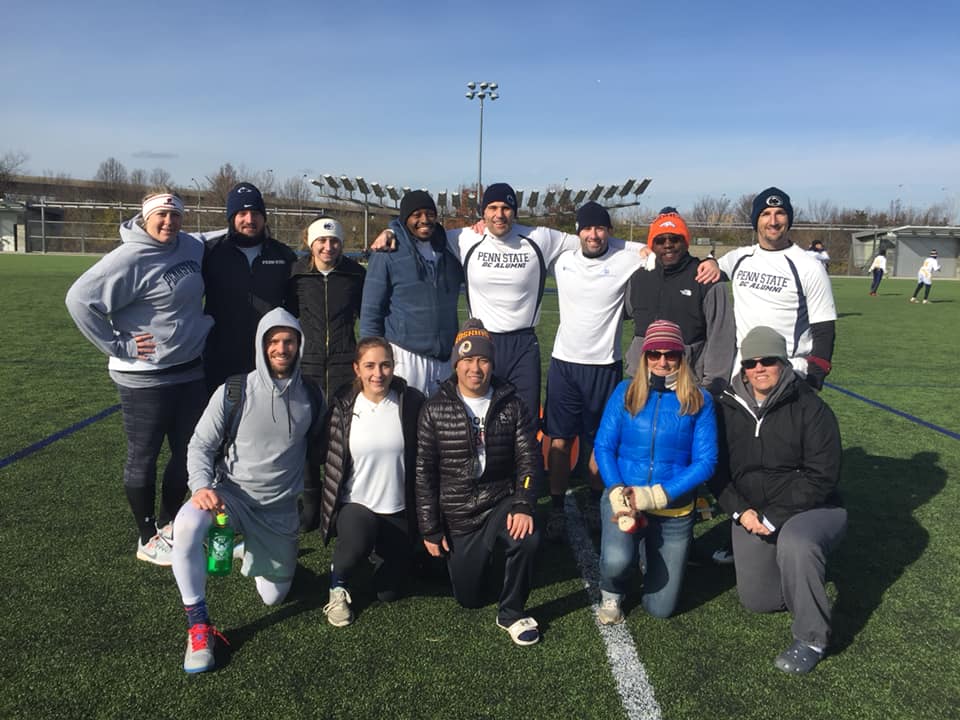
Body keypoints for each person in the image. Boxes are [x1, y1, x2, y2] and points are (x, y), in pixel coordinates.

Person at [171, 308, 324, 673]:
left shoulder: (312, 396)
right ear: (261, 344)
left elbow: (321, 448)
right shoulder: (234, 391)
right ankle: (199, 627)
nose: (281, 348)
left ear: (300, 345)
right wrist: (200, 487)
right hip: (231, 499)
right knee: (187, 525)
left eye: (289, 341)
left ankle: (246, 549)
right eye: (273, 341)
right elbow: (200, 445)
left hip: (279, 510)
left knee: (274, 598)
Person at [65, 190, 212, 566]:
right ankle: (147, 537)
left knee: (188, 452)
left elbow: (216, 235)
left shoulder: (189, 245)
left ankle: (168, 523)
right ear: (145, 218)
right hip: (144, 376)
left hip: (189, 369)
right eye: (161, 215)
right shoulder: (128, 257)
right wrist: (119, 345)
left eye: (175, 216)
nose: (168, 222)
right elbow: (78, 300)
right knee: (144, 455)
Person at [710, 326, 845, 675]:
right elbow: (717, 472)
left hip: (813, 508)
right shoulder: (726, 408)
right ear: (743, 368)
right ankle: (801, 572)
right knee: (759, 600)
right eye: (751, 362)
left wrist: (774, 517)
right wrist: (740, 512)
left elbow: (823, 475)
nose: (759, 368)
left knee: (797, 543)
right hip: (753, 512)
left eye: (767, 360)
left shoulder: (810, 407)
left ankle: (812, 638)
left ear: (783, 362)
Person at [415, 318, 542, 646]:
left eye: (483, 360)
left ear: (492, 363)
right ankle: (485, 563)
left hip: (499, 500)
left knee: (526, 536)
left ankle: (511, 612)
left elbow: (529, 459)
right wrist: (430, 528)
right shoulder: (434, 408)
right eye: (468, 359)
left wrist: (523, 504)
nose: (475, 368)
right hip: (459, 514)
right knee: (469, 598)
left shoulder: (512, 404)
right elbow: (424, 473)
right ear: (456, 363)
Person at [593, 320, 718, 624]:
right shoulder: (624, 391)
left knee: (660, 608)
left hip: (673, 508)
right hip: (625, 500)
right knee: (616, 561)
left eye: (670, 354)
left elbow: (706, 461)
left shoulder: (700, 399)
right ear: (645, 356)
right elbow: (604, 446)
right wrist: (617, 490)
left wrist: (658, 494)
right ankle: (612, 591)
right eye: (654, 354)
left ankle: (648, 553)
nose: (662, 362)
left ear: (681, 357)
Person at [542, 202, 647, 541]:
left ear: (609, 231)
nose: (593, 234)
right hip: (564, 364)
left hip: (604, 365)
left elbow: (651, 250)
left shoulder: (625, 258)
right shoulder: (563, 259)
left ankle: (592, 503)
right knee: (560, 440)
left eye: (600, 228)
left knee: (599, 442)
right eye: (587, 228)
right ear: (578, 231)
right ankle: (556, 507)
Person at [319, 338, 425, 626]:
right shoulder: (343, 404)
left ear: (393, 366)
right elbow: (326, 455)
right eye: (369, 366)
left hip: (398, 510)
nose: (378, 373)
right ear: (357, 368)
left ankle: (378, 551)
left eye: (385, 365)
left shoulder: (411, 402)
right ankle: (338, 584)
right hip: (356, 505)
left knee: (388, 593)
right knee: (356, 539)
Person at [286, 216, 365, 531]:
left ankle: (340, 503)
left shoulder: (354, 274)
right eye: (322, 240)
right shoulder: (296, 275)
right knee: (307, 435)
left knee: (343, 436)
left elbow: (366, 313)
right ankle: (312, 504)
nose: (328, 247)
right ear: (310, 243)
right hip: (308, 364)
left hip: (345, 365)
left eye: (334, 241)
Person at [717, 187, 837, 391]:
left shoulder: (809, 267)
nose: (773, 221)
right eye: (765, 214)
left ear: (788, 219)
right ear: (756, 221)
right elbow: (700, 272)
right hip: (743, 370)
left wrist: (814, 380)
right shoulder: (738, 258)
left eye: (780, 213)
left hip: (788, 370)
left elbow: (824, 330)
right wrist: (709, 263)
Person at [360, 191, 462, 397]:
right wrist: (370, 358)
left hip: (445, 358)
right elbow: (371, 310)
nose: (424, 220)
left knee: (443, 417)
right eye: (417, 215)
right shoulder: (387, 252)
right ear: (405, 218)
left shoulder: (450, 249)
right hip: (405, 356)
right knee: (406, 416)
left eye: (430, 214)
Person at [625, 207, 735, 396]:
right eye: (660, 240)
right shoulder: (638, 278)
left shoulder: (706, 278)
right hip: (642, 381)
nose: (668, 245)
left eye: (674, 239)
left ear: (685, 241)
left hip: (689, 383)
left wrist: (713, 385)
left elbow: (721, 335)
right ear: (652, 245)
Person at [202, 182, 298, 393]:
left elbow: (296, 306)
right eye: (242, 213)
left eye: (255, 213)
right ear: (231, 217)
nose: (249, 220)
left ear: (264, 217)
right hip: (220, 357)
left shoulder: (283, 255)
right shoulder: (211, 253)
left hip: (268, 357)